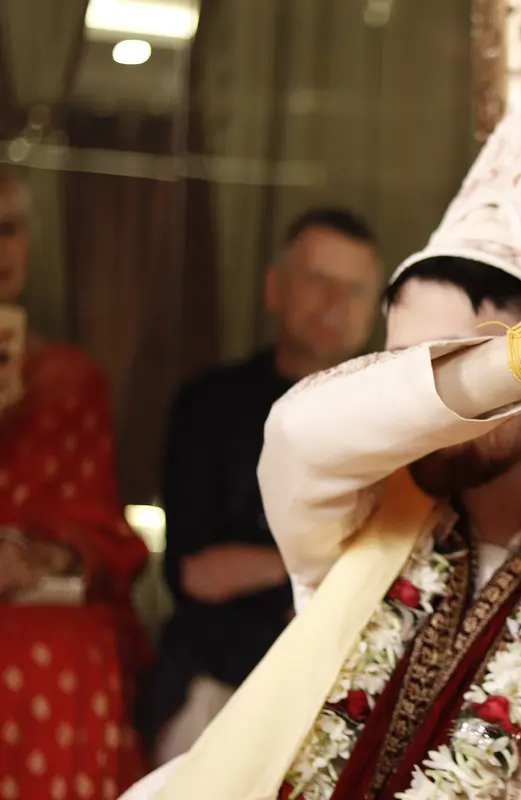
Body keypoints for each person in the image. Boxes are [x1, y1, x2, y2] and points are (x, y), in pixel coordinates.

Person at [119, 73, 521, 800]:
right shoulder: (358, 506)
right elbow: (297, 430)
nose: (426, 404)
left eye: (463, 358)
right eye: (406, 366)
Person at [136, 207, 382, 766]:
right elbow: (195, 573)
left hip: (342, 683)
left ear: (372, 310)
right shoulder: (208, 405)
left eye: (353, 290)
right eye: (318, 280)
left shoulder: (386, 420)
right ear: (275, 289)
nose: (334, 303)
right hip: (218, 676)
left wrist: (262, 567)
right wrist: (319, 567)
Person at [0, 170, 150, 797]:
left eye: (9, 230)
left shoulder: (70, 379)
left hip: (37, 603)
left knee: (71, 645)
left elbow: (100, 532)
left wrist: (37, 557)